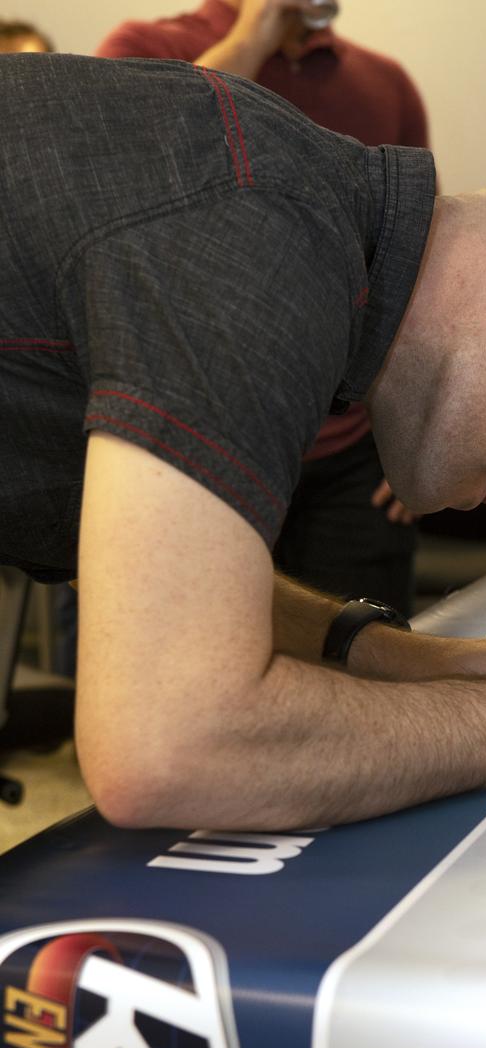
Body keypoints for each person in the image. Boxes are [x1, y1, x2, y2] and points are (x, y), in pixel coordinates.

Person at [0, 53, 486, 833]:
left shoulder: (285, 219)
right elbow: (171, 746)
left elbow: (144, 572)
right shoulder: (261, 238)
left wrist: (391, 656)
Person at [96, 0, 430, 616]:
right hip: (197, 446)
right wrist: (253, 34)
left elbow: (415, 270)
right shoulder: (141, 49)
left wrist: (414, 439)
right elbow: (130, 179)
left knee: (366, 672)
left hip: (350, 464)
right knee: (195, 677)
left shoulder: (385, 84)